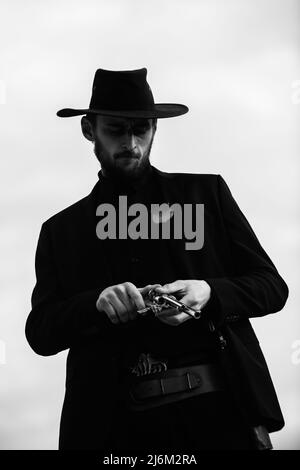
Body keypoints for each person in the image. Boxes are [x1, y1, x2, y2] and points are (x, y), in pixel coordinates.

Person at [25, 67, 289, 451]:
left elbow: (272, 288)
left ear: (154, 129)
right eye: (116, 130)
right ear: (88, 130)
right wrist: (95, 304)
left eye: (142, 130)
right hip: (112, 431)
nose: (131, 143)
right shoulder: (60, 231)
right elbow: (40, 332)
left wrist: (208, 292)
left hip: (220, 416)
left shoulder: (206, 193)